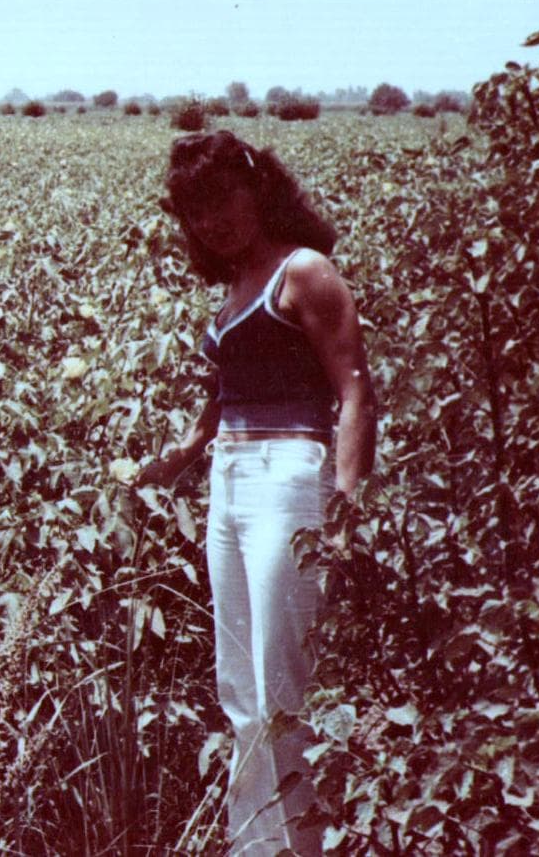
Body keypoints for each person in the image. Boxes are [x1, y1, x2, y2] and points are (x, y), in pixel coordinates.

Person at [138, 130, 376, 855]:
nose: (213, 219)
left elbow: (356, 390)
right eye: (195, 210)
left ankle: (303, 848)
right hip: (230, 483)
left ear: (258, 187)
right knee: (240, 690)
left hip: (288, 477)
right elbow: (221, 404)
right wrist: (178, 454)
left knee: (282, 692)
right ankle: (253, 848)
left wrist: (342, 510)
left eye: (223, 198)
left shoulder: (303, 272)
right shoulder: (236, 287)